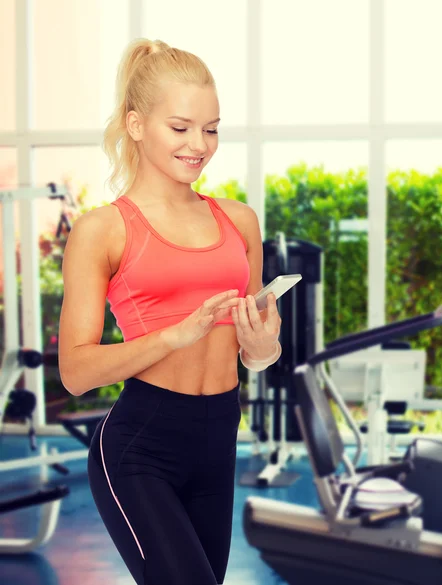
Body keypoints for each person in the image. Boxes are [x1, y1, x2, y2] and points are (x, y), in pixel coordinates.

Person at [58, 38, 282, 585]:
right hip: (141, 447)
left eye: (211, 128)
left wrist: (262, 346)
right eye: (180, 128)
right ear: (136, 125)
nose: (199, 145)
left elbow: (256, 355)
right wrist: (173, 337)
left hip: (219, 439)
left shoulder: (239, 222)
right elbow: (76, 371)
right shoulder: (102, 229)